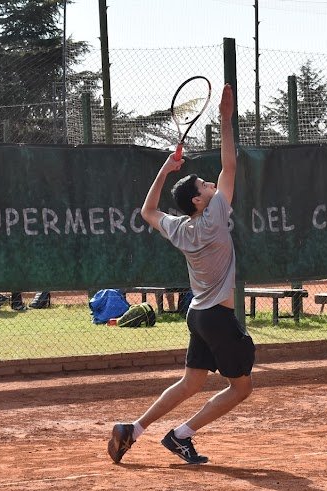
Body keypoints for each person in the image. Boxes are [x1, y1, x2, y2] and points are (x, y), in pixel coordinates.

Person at [107, 84, 254, 466]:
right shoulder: (216, 215)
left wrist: (164, 169)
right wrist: (224, 119)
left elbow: (147, 211)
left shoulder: (180, 228)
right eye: (205, 185)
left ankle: (133, 429)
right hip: (218, 318)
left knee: (192, 381)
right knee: (241, 388)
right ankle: (181, 434)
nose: (211, 185)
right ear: (198, 201)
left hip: (198, 315)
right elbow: (231, 165)